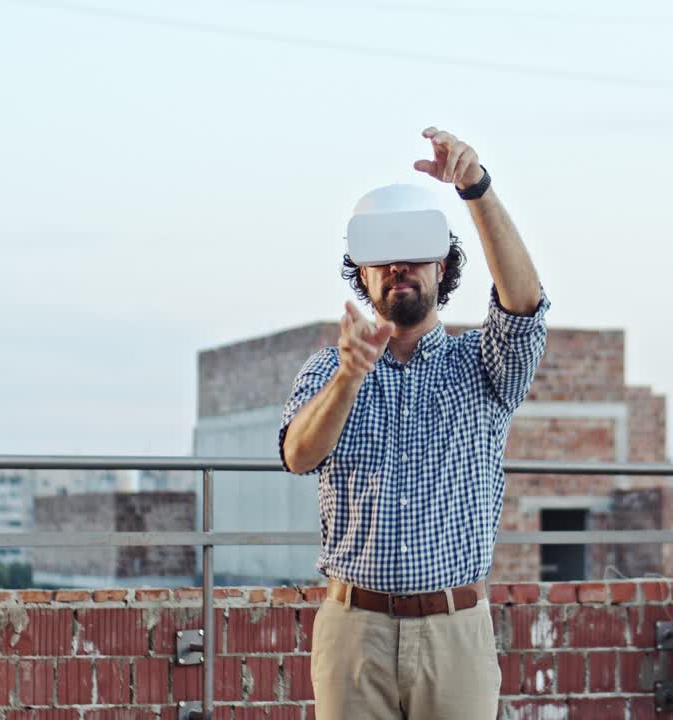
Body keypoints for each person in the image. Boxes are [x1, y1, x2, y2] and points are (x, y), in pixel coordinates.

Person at [278, 126, 549, 719]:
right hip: (354, 631)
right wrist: (350, 376)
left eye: (416, 251)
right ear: (362, 272)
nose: (399, 265)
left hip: (454, 632)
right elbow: (298, 455)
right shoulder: (327, 368)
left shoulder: (483, 365)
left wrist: (475, 187)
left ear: (443, 264)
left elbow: (525, 306)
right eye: (382, 255)